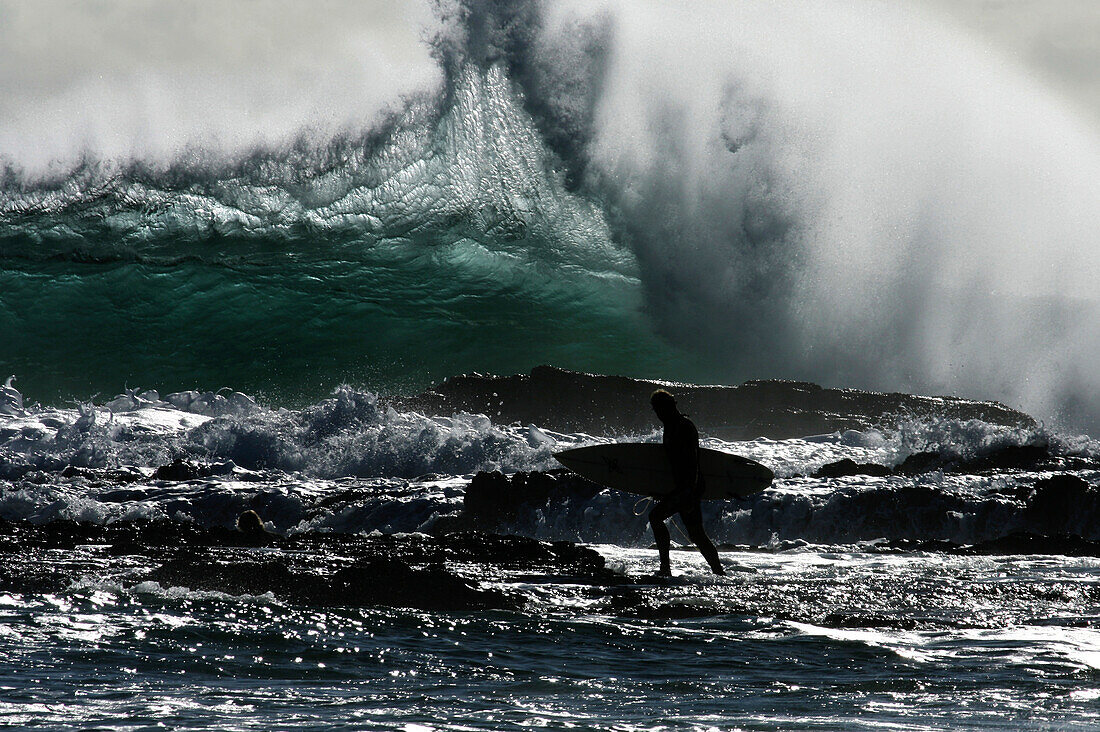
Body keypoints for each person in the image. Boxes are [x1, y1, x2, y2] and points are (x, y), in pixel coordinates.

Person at [648, 389, 724, 576]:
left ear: (668, 407)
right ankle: (719, 572)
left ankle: (665, 568)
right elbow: (673, 464)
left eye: (659, 409)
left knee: (656, 517)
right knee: (697, 534)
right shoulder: (671, 425)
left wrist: (688, 493)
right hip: (684, 487)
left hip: (689, 487)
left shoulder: (683, 426)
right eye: (655, 410)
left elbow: (692, 462)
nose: (657, 414)